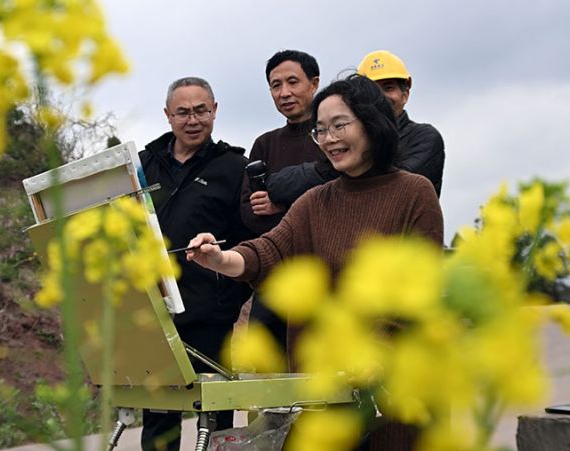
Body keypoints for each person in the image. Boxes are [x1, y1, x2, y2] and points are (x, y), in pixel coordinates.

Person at [187, 74, 443, 451]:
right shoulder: (314, 201)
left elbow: (418, 294)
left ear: (372, 122)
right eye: (320, 130)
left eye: (340, 125)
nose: (329, 139)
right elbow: (269, 252)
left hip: (394, 396)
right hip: (325, 397)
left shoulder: (414, 193)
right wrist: (221, 258)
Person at [138, 77, 252, 451]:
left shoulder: (235, 167)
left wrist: (229, 295)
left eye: (201, 110)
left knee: (217, 416)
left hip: (210, 314)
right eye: (183, 112)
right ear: (168, 116)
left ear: (215, 111)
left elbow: (247, 239)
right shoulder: (144, 163)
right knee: (159, 417)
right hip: (157, 313)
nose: (193, 120)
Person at [239, 50, 333, 352]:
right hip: (274, 275)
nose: (285, 93)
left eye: (293, 82)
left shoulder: (331, 137)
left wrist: (280, 204)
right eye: (275, 85)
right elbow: (249, 212)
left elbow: (338, 197)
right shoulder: (265, 144)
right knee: (267, 370)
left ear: (314, 83)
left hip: (326, 275)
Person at [266, 49, 445, 205]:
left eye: (388, 88)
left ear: (405, 94)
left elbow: (385, 186)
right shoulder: (340, 137)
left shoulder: (424, 138)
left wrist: (335, 167)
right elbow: (276, 186)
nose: (380, 97)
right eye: (372, 89)